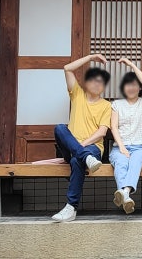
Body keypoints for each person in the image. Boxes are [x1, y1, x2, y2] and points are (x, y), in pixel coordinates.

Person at [52, 54, 111, 222]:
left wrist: (81, 146)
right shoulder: (77, 94)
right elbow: (67, 68)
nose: (97, 84)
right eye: (93, 80)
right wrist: (91, 57)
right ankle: (85, 157)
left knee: (76, 160)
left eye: (101, 82)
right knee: (60, 128)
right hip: (74, 149)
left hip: (92, 148)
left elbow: (102, 132)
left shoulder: (106, 105)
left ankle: (71, 208)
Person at [109, 58, 142, 214]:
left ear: (139, 88)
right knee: (121, 162)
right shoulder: (117, 104)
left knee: (135, 161)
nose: (131, 88)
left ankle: (125, 192)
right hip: (119, 147)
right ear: (124, 87)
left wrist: (131, 64)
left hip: (141, 148)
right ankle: (126, 197)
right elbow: (114, 127)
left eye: (134, 85)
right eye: (128, 85)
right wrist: (121, 147)